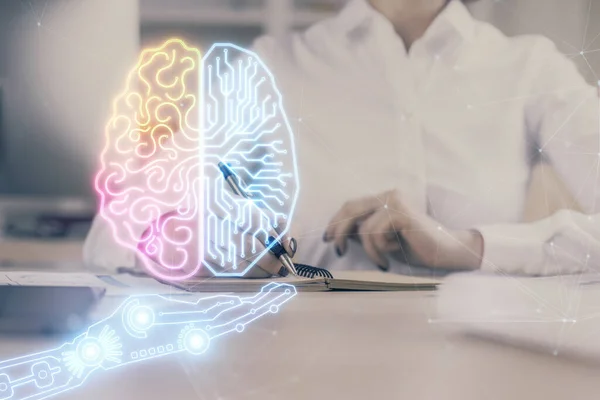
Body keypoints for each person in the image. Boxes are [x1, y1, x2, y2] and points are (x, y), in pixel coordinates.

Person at [85, 0, 600, 277]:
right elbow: (115, 235)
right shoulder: (273, 66)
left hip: (477, 363)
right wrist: (206, 248)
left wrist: (468, 246)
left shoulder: (531, 68)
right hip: (297, 361)